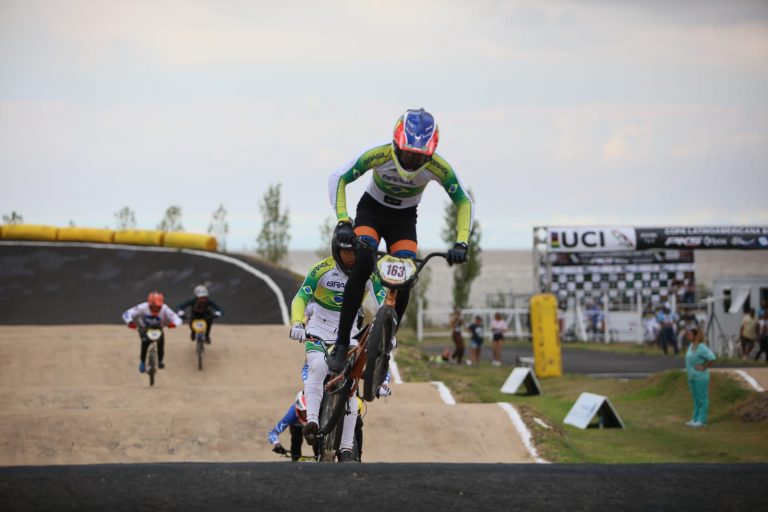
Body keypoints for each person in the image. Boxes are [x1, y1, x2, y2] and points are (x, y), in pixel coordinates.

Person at [326, 108, 474, 372]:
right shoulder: (379, 154)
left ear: (430, 153)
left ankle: (386, 344)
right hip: (371, 212)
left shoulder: (439, 167)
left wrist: (461, 243)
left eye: (419, 157)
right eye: (406, 153)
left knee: (405, 279)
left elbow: (463, 201)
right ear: (396, 144)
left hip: (403, 221)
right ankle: (340, 343)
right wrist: (343, 221)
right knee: (361, 267)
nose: (411, 161)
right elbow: (338, 177)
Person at [289, 232, 386, 462]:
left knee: (351, 384)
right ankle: (312, 421)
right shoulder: (321, 269)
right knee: (317, 367)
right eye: (345, 251)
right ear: (336, 250)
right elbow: (300, 297)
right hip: (319, 330)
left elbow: (382, 301)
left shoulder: (368, 273)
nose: (351, 257)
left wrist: (387, 331)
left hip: (349, 332)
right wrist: (296, 322)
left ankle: (346, 449)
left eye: (354, 251)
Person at [121, 291, 182, 373]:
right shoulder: (142, 307)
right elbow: (127, 313)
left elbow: (176, 318)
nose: (156, 308)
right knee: (145, 342)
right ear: (149, 304)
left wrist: (174, 324)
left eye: (158, 307)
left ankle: (160, 360)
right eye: (153, 307)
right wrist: (130, 322)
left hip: (158, 328)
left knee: (161, 342)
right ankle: (142, 362)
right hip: (144, 328)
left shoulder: (165, 308)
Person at [268, 391, 317, 462]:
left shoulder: (320, 410)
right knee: (296, 440)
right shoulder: (291, 415)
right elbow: (273, 433)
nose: (307, 415)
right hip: (296, 425)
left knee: (316, 440)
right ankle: (295, 461)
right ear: (298, 410)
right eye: (304, 411)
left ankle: (320, 458)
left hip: (312, 424)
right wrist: (277, 444)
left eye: (309, 411)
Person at [684, 325, 716, 427]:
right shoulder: (691, 346)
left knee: (702, 399)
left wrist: (704, 367)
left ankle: (702, 421)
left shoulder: (702, 347)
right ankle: (695, 418)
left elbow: (712, 358)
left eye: (689, 334)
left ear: (695, 335)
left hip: (700, 377)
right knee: (696, 399)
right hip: (692, 377)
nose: (687, 336)